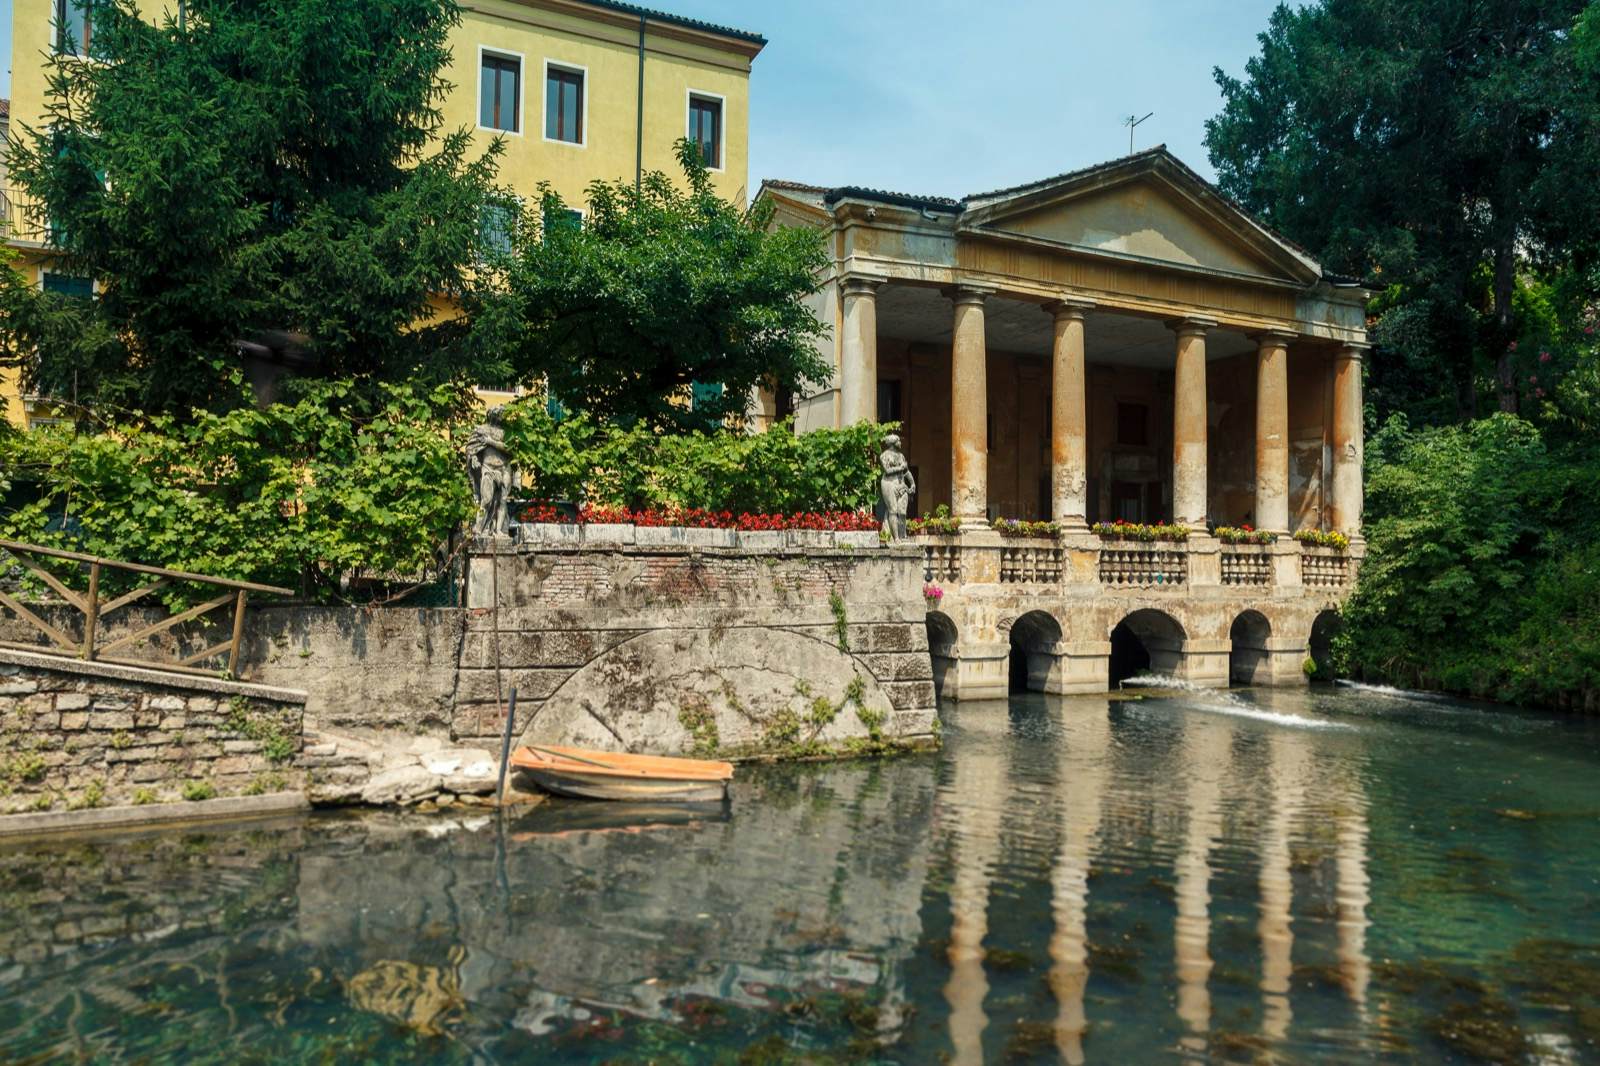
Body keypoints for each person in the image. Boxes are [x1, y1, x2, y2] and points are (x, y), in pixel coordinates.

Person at [467, 407, 515, 537]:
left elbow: (510, 449)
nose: (501, 417)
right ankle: (479, 528)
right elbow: (472, 449)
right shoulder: (482, 430)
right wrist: (474, 459)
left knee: (503, 500)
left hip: (504, 468)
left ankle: (499, 530)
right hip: (488, 467)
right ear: (492, 415)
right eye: (498, 414)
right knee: (486, 499)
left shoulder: (506, 432)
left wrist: (491, 442)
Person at [878, 433, 915, 540]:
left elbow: (906, 471)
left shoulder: (901, 456)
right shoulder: (884, 455)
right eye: (898, 441)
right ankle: (896, 538)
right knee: (893, 510)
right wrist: (900, 468)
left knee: (902, 511)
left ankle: (903, 535)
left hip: (901, 485)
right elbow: (887, 470)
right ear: (893, 443)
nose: (900, 443)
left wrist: (912, 483)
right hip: (889, 483)